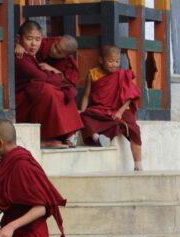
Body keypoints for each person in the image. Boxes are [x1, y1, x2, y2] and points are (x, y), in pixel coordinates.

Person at [14, 21, 83, 149]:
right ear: (19, 38)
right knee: (47, 91)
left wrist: (58, 75)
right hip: (19, 99)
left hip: (32, 90)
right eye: (29, 39)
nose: (34, 44)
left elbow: (66, 80)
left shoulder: (67, 63)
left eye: (37, 39)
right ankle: (45, 138)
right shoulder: (20, 55)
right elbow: (39, 76)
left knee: (65, 91)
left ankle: (66, 134)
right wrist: (57, 76)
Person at [80, 45, 144, 171]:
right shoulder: (93, 74)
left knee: (134, 129)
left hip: (120, 108)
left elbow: (131, 95)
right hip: (101, 108)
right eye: (110, 61)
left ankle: (138, 164)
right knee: (84, 116)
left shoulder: (122, 75)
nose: (114, 65)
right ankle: (97, 138)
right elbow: (86, 95)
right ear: (101, 60)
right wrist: (82, 110)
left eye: (117, 61)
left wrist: (120, 112)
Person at [17, 34, 81, 106]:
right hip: (31, 77)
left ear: (66, 56)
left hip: (47, 81)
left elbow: (70, 81)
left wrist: (53, 69)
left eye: (59, 52)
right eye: (55, 46)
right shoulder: (44, 43)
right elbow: (27, 44)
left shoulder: (69, 63)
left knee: (70, 92)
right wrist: (19, 45)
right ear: (57, 39)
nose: (54, 51)